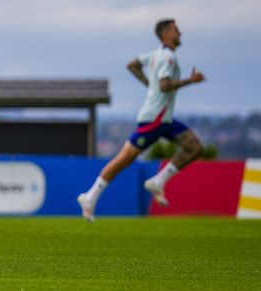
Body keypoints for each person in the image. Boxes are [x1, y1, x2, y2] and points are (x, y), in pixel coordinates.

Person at [77, 19, 206, 222]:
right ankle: (90, 197)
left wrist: (149, 84)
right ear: (165, 34)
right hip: (154, 119)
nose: (180, 32)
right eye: (175, 30)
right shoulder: (168, 58)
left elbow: (132, 65)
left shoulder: (155, 55)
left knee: (195, 147)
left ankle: (158, 181)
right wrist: (191, 80)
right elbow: (164, 86)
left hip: (164, 119)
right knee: (123, 160)